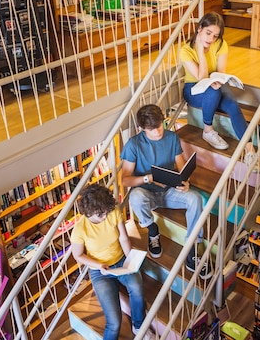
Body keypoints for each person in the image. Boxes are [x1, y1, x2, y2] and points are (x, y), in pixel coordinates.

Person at [120, 104, 212, 279]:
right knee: (135, 197)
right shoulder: (134, 144)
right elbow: (124, 180)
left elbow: (181, 165)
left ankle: (193, 248)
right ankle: (151, 228)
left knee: (196, 199)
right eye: (152, 129)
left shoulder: (171, 138)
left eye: (160, 125)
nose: (157, 131)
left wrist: (186, 181)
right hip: (147, 193)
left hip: (170, 191)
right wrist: (147, 178)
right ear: (142, 128)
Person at [70, 184, 155, 340]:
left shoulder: (113, 212)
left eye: (106, 212)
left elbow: (123, 237)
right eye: (101, 214)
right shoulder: (80, 230)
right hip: (99, 271)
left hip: (120, 261)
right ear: (88, 212)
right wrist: (99, 266)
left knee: (137, 287)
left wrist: (131, 259)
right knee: (114, 322)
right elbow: (78, 255)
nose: (105, 216)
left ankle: (138, 325)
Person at [180, 12, 256, 165]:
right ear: (199, 28)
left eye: (215, 36)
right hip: (193, 90)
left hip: (214, 84)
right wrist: (201, 51)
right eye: (208, 33)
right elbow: (201, 78)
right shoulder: (186, 50)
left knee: (232, 104)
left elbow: (220, 71)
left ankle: (250, 150)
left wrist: (219, 80)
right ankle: (208, 130)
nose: (211, 39)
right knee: (212, 90)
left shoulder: (221, 44)